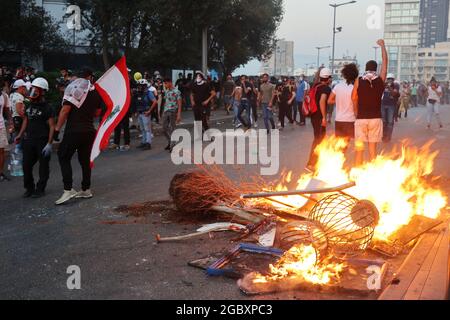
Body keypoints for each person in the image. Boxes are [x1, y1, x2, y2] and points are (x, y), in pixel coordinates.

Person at [54, 68, 103, 205]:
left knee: (63, 156)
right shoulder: (95, 92)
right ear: (90, 77)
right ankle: (86, 189)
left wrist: (57, 129)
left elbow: (65, 110)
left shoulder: (74, 88)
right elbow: (97, 113)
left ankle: (68, 189)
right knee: (85, 161)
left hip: (74, 130)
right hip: (89, 130)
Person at [15, 78, 54, 197]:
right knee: (26, 164)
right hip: (29, 140)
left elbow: (52, 126)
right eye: (33, 89)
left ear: (42, 91)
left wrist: (50, 143)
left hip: (42, 140)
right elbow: (26, 120)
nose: (33, 92)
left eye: (37, 90)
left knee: (43, 166)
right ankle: (29, 188)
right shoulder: (29, 105)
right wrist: (20, 134)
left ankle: (40, 189)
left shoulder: (48, 107)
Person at [352, 39, 388, 166]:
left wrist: (356, 112)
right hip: (375, 119)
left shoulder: (358, 80)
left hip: (361, 119)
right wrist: (383, 46)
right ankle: (373, 175)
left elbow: (353, 98)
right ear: (376, 69)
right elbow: (385, 63)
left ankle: (357, 174)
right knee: (373, 151)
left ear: (366, 68)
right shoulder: (380, 80)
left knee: (359, 150)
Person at [306, 68, 332, 171]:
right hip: (319, 117)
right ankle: (311, 163)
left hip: (313, 115)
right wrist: (324, 118)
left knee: (318, 138)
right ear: (328, 78)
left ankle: (315, 162)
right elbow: (322, 101)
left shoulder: (316, 86)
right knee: (318, 139)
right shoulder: (326, 89)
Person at [328, 63, 359, 144]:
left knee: (340, 145)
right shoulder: (355, 89)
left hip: (339, 120)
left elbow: (329, 100)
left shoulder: (337, 86)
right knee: (346, 144)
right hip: (350, 120)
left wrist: (338, 100)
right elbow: (356, 104)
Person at [191, 71, 216, 138]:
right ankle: (200, 135)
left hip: (203, 105)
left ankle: (209, 135)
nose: (197, 78)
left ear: (202, 77)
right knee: (197, 121)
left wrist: (207, 101)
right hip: (196, 105)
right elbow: (192, 93)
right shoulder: (194, 85)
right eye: (196, 77)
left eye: (199, 76)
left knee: (203, 121)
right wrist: (192, 101)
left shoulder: (206, 85)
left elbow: (213, 93)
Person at [135, 79, 158, 150]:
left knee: (147, 129)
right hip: (140, 113)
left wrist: (149, 111)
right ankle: (144, 142)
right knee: (142, 129)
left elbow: (155, 102)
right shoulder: (139, 93)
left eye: (140, 86)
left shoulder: (149, 93)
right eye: (138, 85)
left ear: (144, 86)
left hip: (146, 113)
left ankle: (148, 144)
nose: (139, 87)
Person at [162, 78, 182, 152]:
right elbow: (166, 101)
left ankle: (172, 145)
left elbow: (179, 103)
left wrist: (179, 114)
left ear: (170, 82)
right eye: (164, 83)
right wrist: (162, 112)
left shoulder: (177, 91)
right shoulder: (166, 91)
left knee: (172, 128)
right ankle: (171, 141)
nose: (165, 85)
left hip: (173, 111)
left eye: (166, 83)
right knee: (164, 129)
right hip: (166, 111)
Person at [381, 74, 400, 143]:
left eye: (391, 79)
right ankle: (384, 135)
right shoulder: (383, 85)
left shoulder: (396, 85)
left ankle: (388, 137)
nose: (390, 80)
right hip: (383, 105)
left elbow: (395, 94)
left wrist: (389, 87)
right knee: (383, 122)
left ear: (393, 80)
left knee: (390, 122)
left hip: (391, 105)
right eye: (388, 79)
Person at [0, 80, 12, 182]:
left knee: (1, 151)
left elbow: (7, 111)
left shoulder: (4, 96)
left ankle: (0, 173)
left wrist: (11, 123)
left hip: (0, 127)